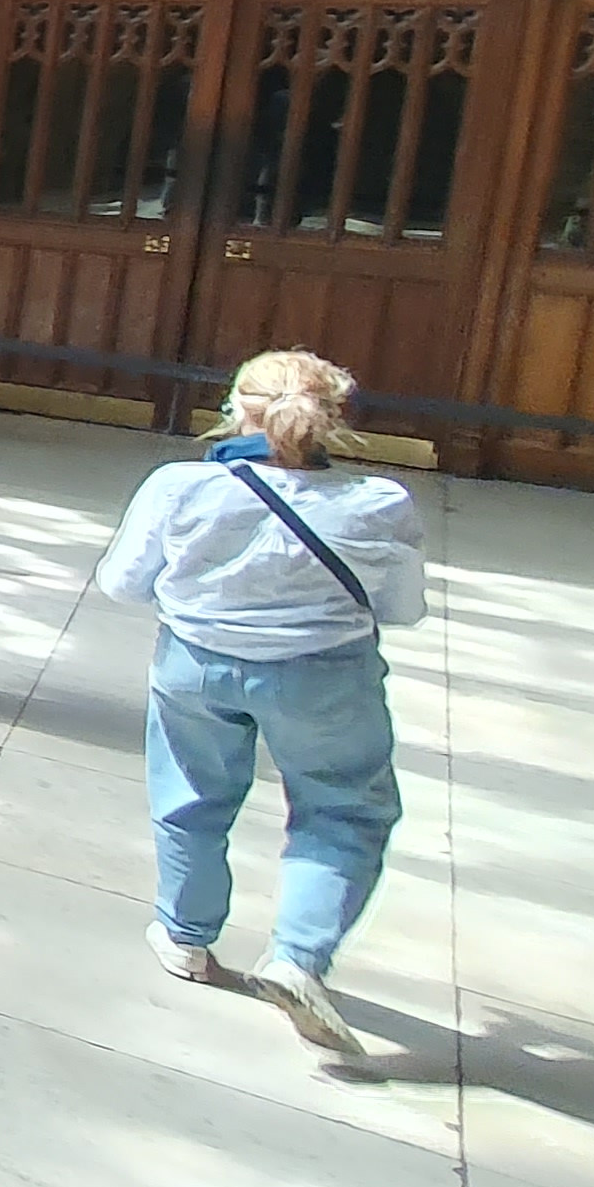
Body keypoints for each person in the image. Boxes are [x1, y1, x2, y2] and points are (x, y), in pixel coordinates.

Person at [93, 349, 428, 1057]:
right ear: (333, 420)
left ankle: (186, 937)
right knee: (344, 809)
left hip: (197, 664)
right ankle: (298, 956)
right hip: (326, 677)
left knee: (190, 796)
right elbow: (403, 608)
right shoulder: (379, 502)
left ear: (232, 408)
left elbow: (122, 583)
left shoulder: (180, 486)